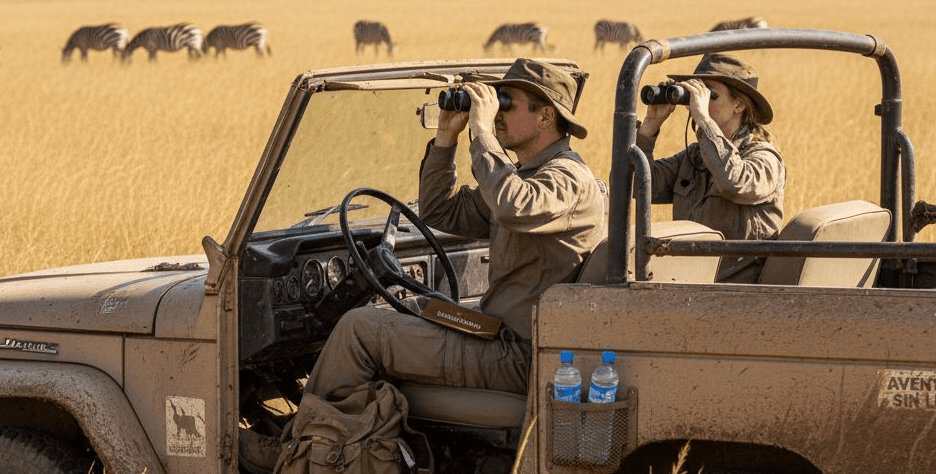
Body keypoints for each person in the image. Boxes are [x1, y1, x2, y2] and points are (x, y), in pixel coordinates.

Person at [303, 58, 606, 401]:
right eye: (496, 103)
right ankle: (360, 438)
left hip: (521, 355)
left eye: (506, 104)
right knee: (404, 308)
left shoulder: (568, 178)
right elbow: (440, 212)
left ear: (546, 116)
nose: (497, 113)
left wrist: (482, 132)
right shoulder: (525, 176)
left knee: (358, 330)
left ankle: (306, 444)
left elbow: (513, 205)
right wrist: (446, 140)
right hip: (497, 334)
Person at [637, 52, 785, 283]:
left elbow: (733, 182)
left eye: (711, 95)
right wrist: (649, 127)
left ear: (739, 105)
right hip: (690, 286)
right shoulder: (694, 157)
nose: (700, 103)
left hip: (739, 295)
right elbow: (637, 187)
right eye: (697, 94)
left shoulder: (763, 158)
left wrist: (704, 121)